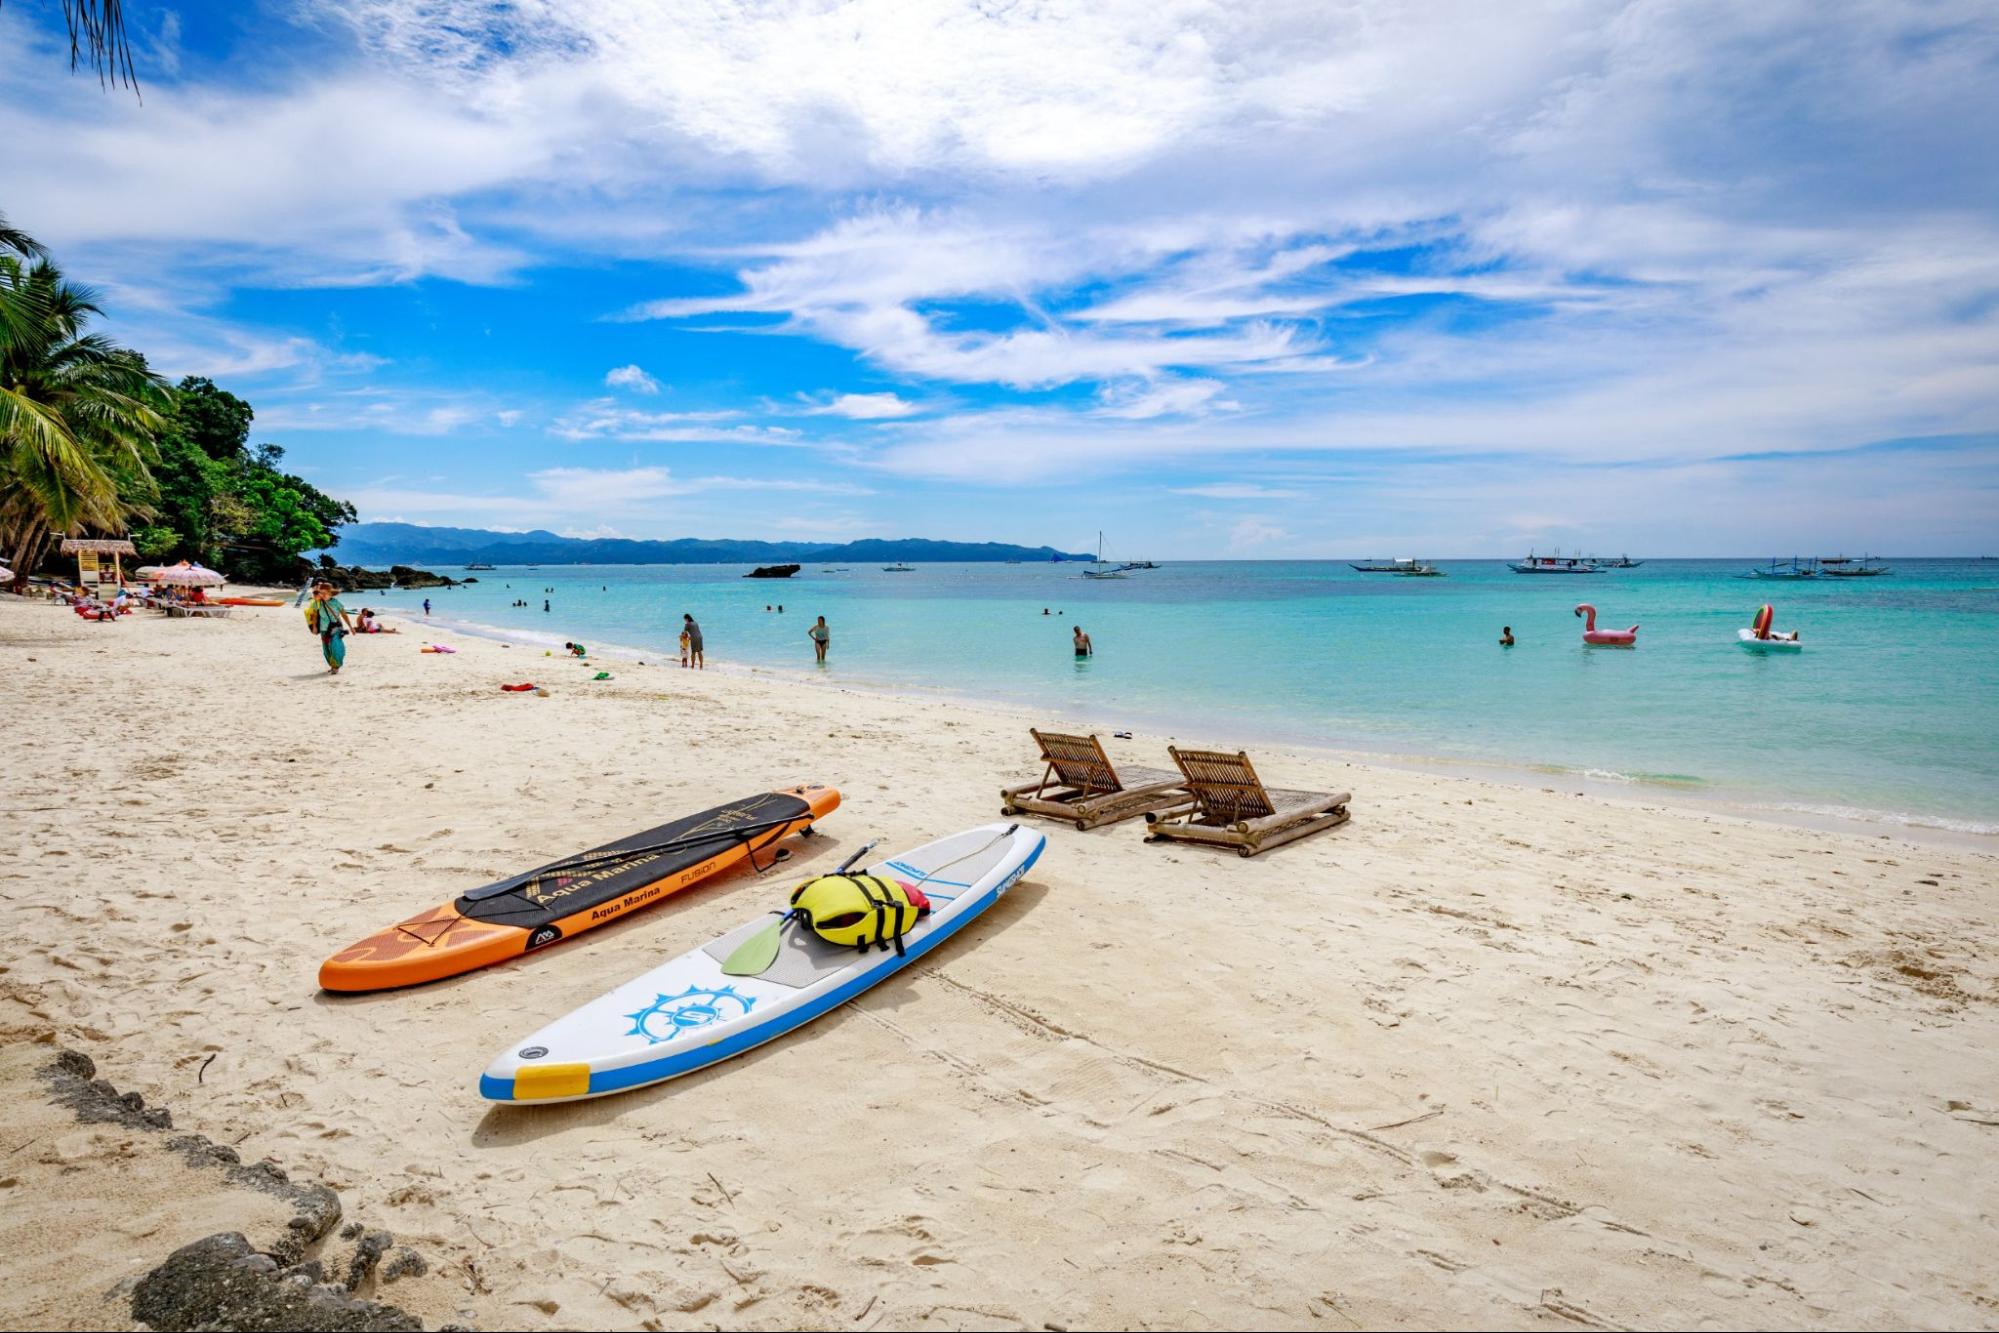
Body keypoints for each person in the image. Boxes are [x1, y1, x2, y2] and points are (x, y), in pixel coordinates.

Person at [307, 581, 355, 674]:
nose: (324, 595)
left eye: (326, 593)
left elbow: (344, 614)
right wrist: (314, 627)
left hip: (336, 628)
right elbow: (315, 615)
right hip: (324, 629)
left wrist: (350, 626)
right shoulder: (318, 603)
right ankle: (332, 665)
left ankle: (336, 666)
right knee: (326, 649)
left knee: (335, 646)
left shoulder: (336, 602)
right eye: (322, 593)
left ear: (331, 593)